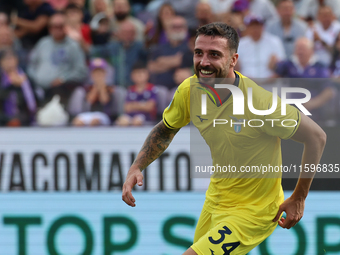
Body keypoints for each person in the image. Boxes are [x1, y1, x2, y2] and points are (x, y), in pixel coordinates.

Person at [122, 22, 327, 254]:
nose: (204, 62)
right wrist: (137, 166)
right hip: (216, 200)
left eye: (214, 55)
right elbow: (165, 129)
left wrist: (299, 197)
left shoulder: (260, 103)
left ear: (233, 60)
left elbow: (316, 137)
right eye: (198, 53)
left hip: (254, 211)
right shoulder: (190, 90)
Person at [27, 12, 87, 106]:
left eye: (61, 26)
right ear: (49, 28)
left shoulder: (73, 46)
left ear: (66, 27)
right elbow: (31, 64)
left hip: (61, 90)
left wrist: (63, 79)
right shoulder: (43, 43)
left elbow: (81, 71)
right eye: (54, 26)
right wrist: (35, 78)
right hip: (37, 87)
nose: (57, 29)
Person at [274, 37, 335, 124]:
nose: (300, 52)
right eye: (298, 49)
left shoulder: (320, 67)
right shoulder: (289, 64)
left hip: (314, 111)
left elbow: (329, 91)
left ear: (311, 51)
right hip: (291, 111)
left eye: (303, 49)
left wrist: (313, 103)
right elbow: (275, 71)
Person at [0, 50, 37, 126]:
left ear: (17, 60)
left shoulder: (25, 79)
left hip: (24, 120)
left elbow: (31, 102)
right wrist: (12, 85)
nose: (9, 63)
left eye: (11, 59)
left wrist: (19, 86)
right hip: (3, 120)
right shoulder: (1, 78)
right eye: (6, 59)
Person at [116, 62, 157, 126]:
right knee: (121, 121)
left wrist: (133, 105)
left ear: (147, 75)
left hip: (146, 117)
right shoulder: (130, 89)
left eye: (142, 72)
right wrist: (142, 105)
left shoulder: (152, 89)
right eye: (137, 73)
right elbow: (127, 107)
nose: (140, 75)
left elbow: (149, 107)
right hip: (130, 116)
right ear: (132, 76)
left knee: (137, 121)